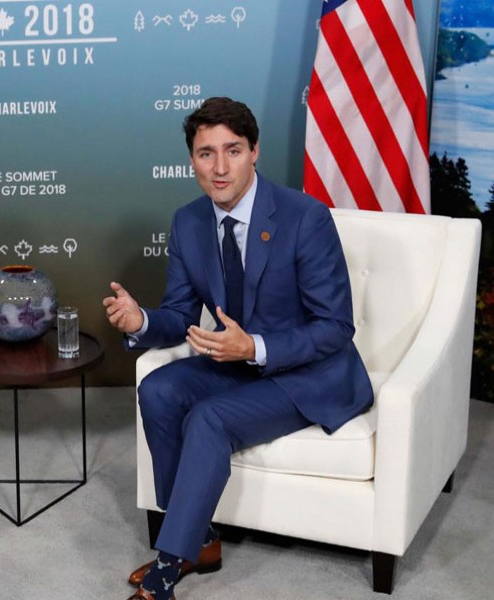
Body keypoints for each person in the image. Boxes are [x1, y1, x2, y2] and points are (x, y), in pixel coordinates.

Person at [103, 97, 373, 600]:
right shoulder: (188, 222)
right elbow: (181, 315)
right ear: (192, 162)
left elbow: (336, 327)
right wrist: (142, 321)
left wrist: (256, 346)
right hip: (238, 362)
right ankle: (199, 538)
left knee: (209, 417)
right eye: (207, 154)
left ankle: (168, 564)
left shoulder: (305, 217)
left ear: (255, 153)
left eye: (233, 150)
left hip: (308, 374)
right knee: (158, 389)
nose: (220, 167)